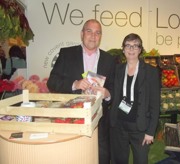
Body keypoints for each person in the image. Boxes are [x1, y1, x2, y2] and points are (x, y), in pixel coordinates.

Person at [47, 19, 116, 164]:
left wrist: (108, 94)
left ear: (101, 36)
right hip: (72, 117)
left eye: (97, 33)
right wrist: (75, 84)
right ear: (82, 34)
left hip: (100, 120)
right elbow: (52, 82)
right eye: (89, 31)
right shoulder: (67, 53)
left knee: (102, 156)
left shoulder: (109, 59)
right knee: (74, 155)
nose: (93, 36)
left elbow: (115, 88)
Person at [110, 33, 161, 164]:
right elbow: (112, 95)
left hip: (140, 128)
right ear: (123, 49)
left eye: (135, 46)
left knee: (140, 161)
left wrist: (150, 132)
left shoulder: (151, 71)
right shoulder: (117, 70)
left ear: (140, 50)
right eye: (128, 45)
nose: (131, 49)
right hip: (119, 126)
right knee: (119, 161)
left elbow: (155, 105)